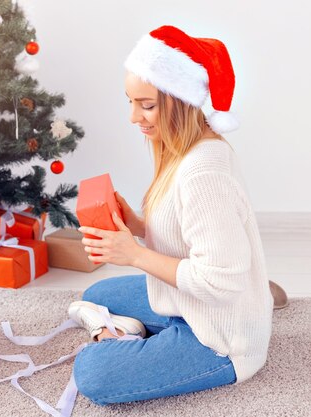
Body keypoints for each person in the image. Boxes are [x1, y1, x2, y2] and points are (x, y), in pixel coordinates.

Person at [68, 25, 274, 405]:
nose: (134, 117)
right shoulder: (182, 152)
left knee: (93, 374)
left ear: (182, 102)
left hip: (220, 338)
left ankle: (118, 337)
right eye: (131, 101)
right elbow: (189, 230)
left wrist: (134, 254)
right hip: (191, 303)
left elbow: (220, 281)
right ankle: (257, 297)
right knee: (97, 293)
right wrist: (139, 226)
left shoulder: (203, 171)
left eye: (147, 105)